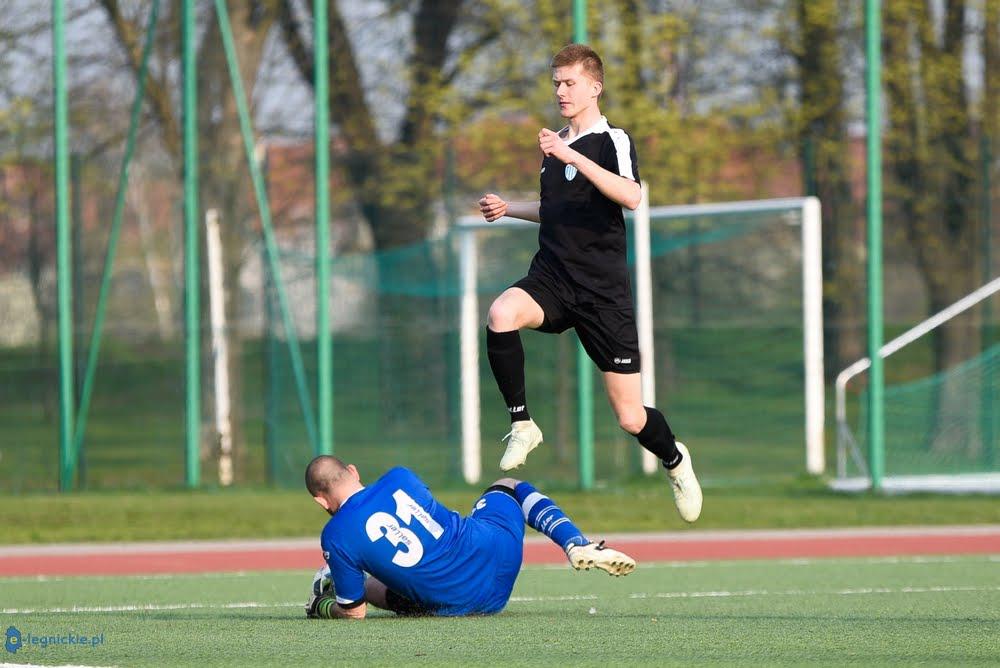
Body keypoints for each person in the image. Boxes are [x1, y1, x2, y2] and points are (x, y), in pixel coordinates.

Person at [477, 43, 702, 523]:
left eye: (569, 82)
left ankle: (675, 459)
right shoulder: (554, 144)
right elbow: (556, 210)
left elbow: (631, 195)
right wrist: (509, 208)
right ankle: (522, 424)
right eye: (556, 82)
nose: (560, 90)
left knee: (630, 417)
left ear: (594, 87)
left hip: (602, 294)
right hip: (554, 278)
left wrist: (571, 156)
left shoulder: (610, 140)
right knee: (501, 314)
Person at [303, 455, 635, 619]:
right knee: (508, 485)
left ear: (320, 501)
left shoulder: (335, 537)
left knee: (393, 586)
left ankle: (336, 583)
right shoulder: (400, 476)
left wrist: (324, 606)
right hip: (497, 555)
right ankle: (574, 542)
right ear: (353, 471)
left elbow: (354, 614)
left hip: (462, 603)